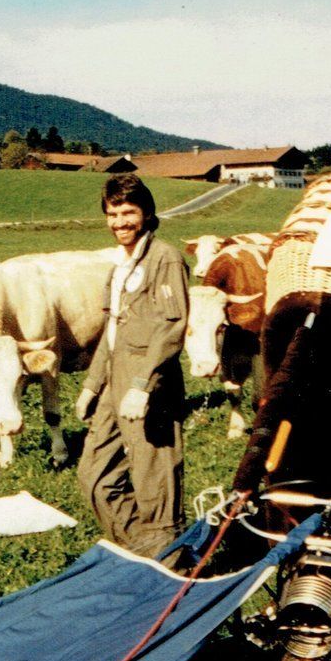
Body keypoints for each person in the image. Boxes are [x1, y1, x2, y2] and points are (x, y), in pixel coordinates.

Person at [75, 175, 189, 557]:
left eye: (128, 213)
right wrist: (92, 386)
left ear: (147, 213)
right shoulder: (119, 266)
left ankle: (169, 566)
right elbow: (113, 330)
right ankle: (145, 549)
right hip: (114, 380)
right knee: (95, 475)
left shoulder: (164, 258)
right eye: (112, 214)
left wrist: (142, 385)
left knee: (154, 482)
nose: (119, 222)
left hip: (150, 383)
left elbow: (172, 327)